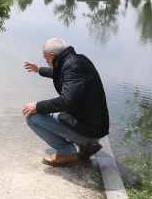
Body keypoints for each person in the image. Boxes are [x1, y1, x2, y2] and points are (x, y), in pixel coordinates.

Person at [23, 37, 109, 167]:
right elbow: (62, 73)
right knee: (53, 112)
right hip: (93, 126)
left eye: (46, 59)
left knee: (33, 117)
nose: (46, 61)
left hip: (91, 131)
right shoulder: (78, 61)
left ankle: (67, 152)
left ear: (52, 56)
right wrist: (39, 69)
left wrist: (37, 106)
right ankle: (87, 147)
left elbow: (67, 102)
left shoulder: (73, 67)